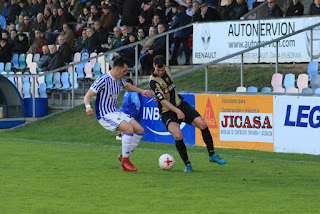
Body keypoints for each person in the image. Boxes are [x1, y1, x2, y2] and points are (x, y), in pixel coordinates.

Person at [149, 55, 226, 172]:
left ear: (165, 66)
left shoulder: (168, 70)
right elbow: (163, 101)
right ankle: (187, 164)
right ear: (154, 66)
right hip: (167, 112)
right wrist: (177, 111)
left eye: (162, 70)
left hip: (181, 104)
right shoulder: (153, 81)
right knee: (178, 135)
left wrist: (179, 108)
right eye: (158, 70)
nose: (160, 72)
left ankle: (212, 155)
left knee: (203, 125)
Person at [84, 57, 153, 172]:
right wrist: (88, 107)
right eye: (124, 71)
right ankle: (125, 161)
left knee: (140, 129)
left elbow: (127, 86)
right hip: (105, 114)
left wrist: (142, 91)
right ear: (117, 69)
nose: (125, 73)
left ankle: (124, 157)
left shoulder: (119, 79)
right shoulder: (103, 79)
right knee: (129, 129)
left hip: (116, 111)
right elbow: (88, 95)